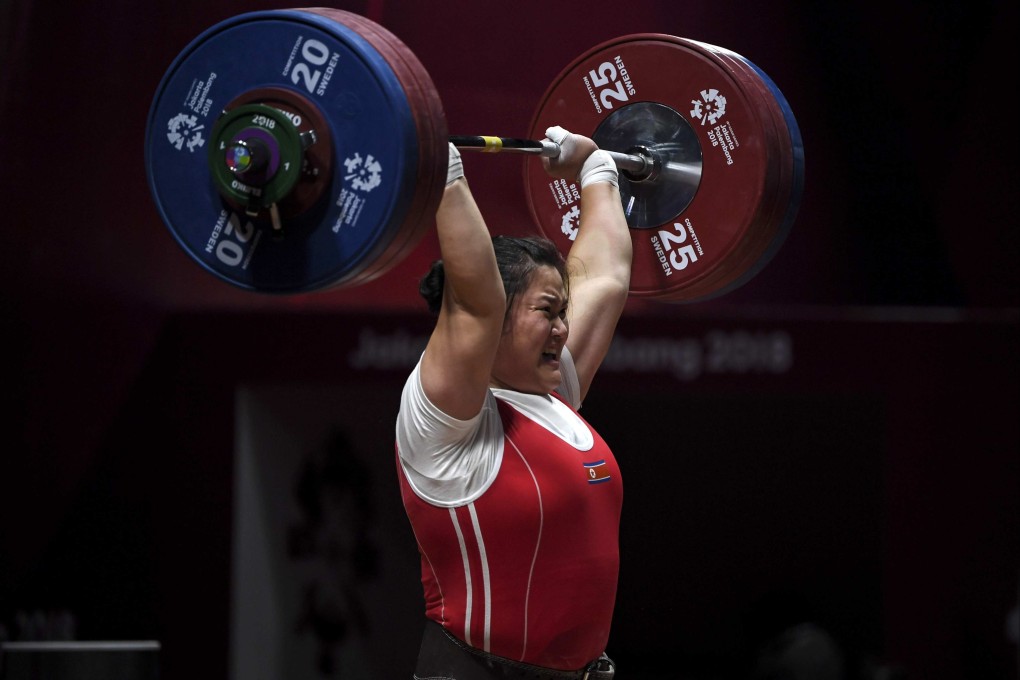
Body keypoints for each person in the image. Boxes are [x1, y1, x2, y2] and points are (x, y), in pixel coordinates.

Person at [395, 126, 632, 680]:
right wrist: (444, 176)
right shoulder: (447, 425)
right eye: (547, 311)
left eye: (562, 312)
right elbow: (477, 300)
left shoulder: (552, 394)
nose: (562, 329)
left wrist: (595, 169)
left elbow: (608, 274)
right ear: (498, 321)